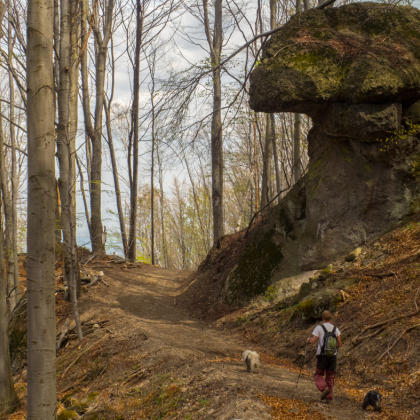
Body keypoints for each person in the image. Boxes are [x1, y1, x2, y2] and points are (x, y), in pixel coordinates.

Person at [307, 310, 342, 403]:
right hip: (333, 356)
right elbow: (339, 344)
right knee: (330, 377)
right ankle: (329, 397)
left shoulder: (319, 328)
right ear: (331, 318)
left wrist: (309, 340)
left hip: (322, 356)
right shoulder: (336, 329)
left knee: (318, 374)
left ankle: (323, 389)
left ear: (322, 318)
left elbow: (313, 341)